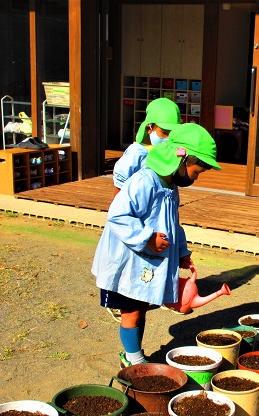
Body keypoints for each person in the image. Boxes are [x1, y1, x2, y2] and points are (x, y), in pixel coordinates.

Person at [92, 123, 221, 367]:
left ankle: (135, 354)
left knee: (140, 307)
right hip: (127, 261)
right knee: (131, 311)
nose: (195, 178)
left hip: (142, 263)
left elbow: (173, 223)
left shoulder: (170, 186)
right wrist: (148, 238)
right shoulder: (145, 181)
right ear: (182, 159)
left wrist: (180, 252)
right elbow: (118, 216)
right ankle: (133, 360)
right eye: (196, 172)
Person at [112, 97, 181, 197]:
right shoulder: (136, 153)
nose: (168, 138)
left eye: (172, 134)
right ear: (149, 128)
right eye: (164, 133)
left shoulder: (170, 151)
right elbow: (120, 188)